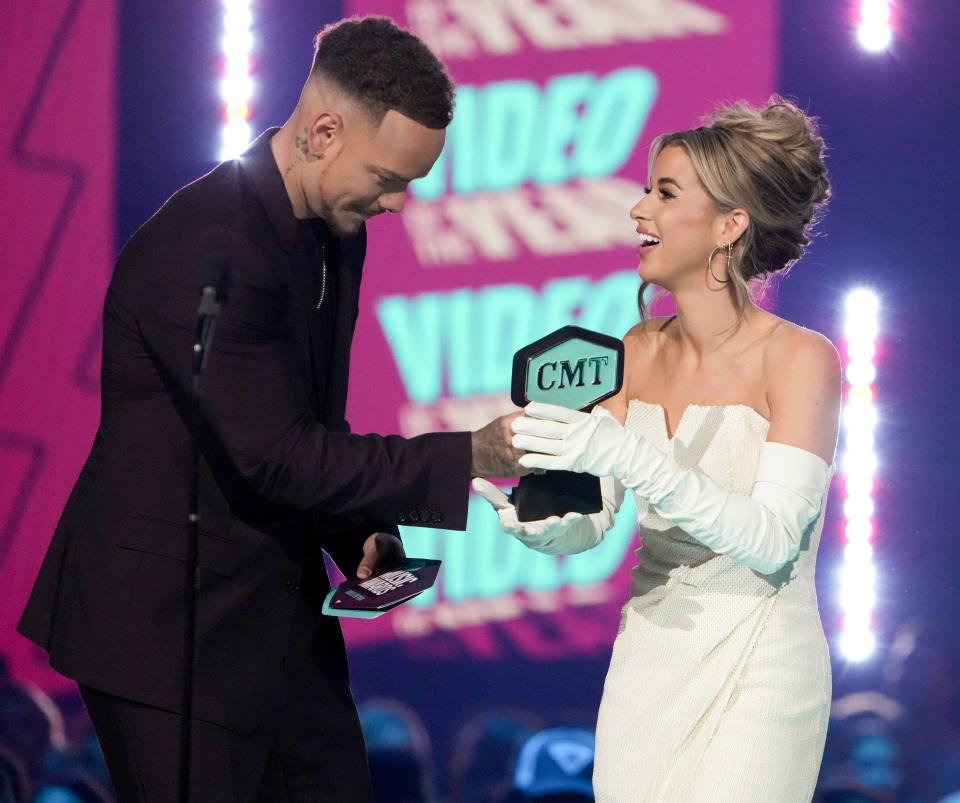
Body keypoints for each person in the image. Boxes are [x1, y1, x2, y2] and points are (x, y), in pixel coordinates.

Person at [17, 16, 520, 802]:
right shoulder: (210, 248)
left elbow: (309, 430)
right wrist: (471, 454)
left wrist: (358, 531)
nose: (399, 203)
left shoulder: (333, 231)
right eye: (389, 177)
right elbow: (276, 454)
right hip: (167, 629)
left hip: (272, 613)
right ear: (323, 132)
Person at [475, 97, 839, 801]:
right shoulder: (633, 351)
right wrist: (544, 525)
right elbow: (594, 518)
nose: (638, 210)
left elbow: (769, 542)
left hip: (760, 658)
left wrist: (623, 453)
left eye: (664, 192)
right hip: (649, 656)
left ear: (730, 224)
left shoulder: (802, 359)